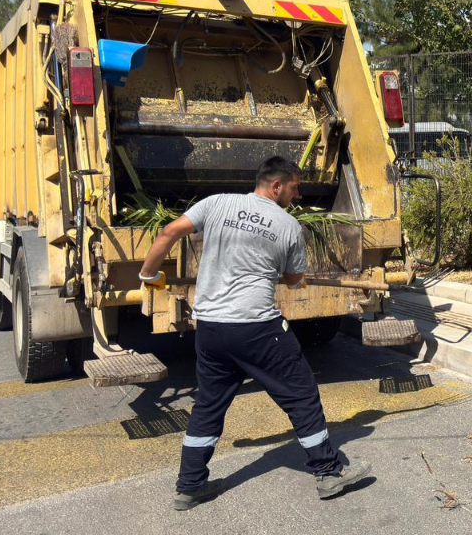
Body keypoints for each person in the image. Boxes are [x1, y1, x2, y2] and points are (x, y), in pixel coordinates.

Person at [139, 156, 371, 511]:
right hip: (257, 329)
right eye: (294, 187)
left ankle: (189, 487)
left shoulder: (217, 203)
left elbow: (168, 232)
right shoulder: (288, 226)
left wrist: (148, 276)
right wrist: (293, 275)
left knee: (208, 405)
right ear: (276, 186)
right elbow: (294, 283)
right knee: (301, 393)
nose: (297, 195)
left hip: (211, 328)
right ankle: (328, 472)